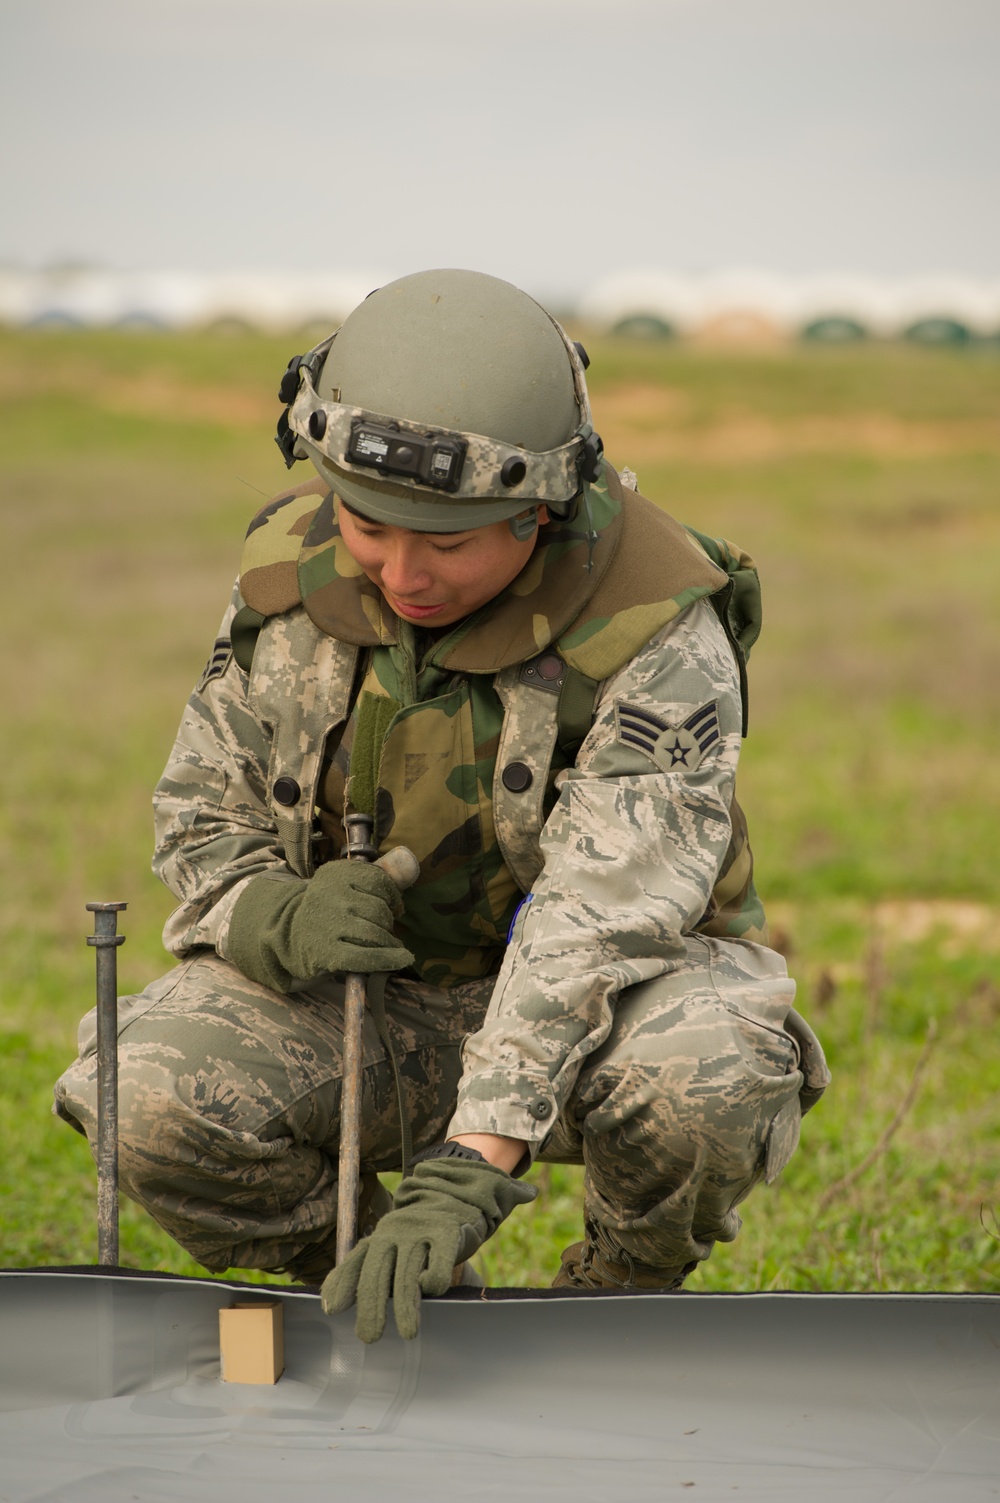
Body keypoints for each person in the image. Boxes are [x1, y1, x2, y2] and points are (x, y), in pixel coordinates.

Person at [55, 269, 829, 1342]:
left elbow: (597, 918)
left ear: (538, 504)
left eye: (450, 542)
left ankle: (613, 1306)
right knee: (143, 1094)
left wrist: (475, 1159)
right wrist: (264, 914)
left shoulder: (653, 622)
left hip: (608, 1011)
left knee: (708, 1077)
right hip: (373, 1014)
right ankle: (372, 1286)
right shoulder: (287, 586)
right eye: (367, 523)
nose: (400, 572)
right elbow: (200, 809)